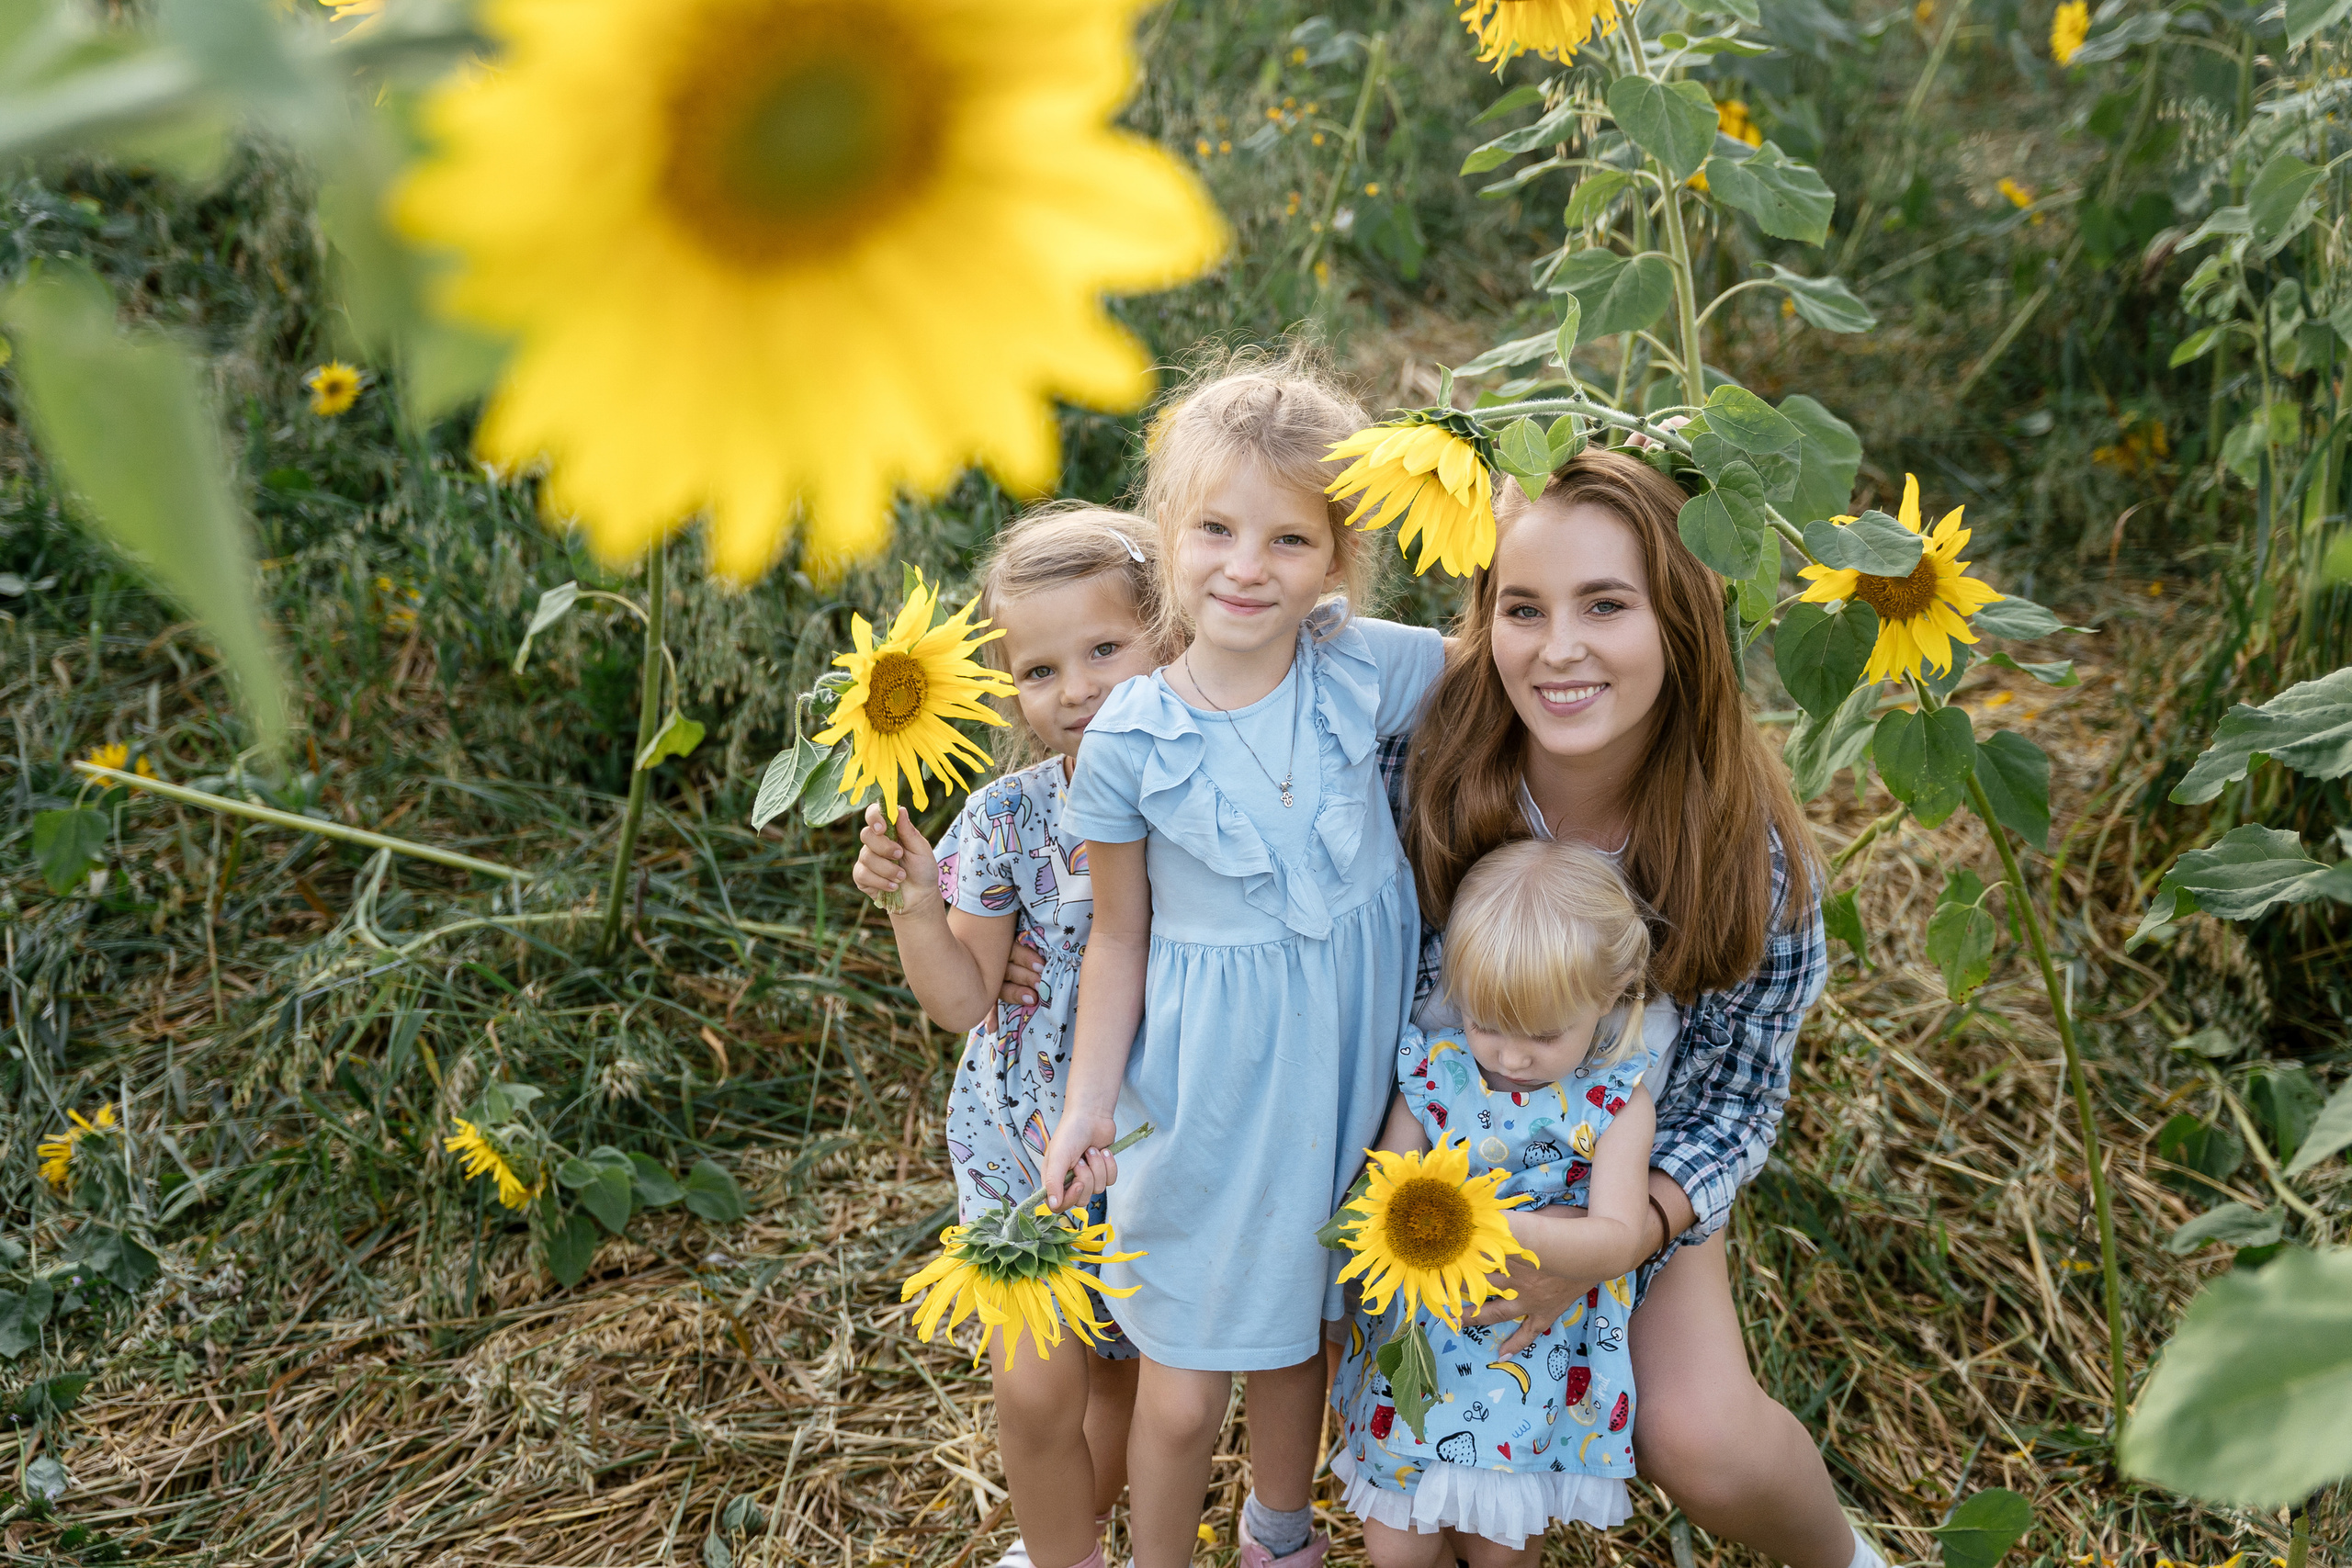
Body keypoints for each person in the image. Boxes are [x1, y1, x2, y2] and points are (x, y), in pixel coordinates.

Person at [1381, 446, 1873, 1568]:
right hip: (1424, 1169)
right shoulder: (1424, 769)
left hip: (1621, 1167)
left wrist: (1617, 1239)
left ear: (1683, 623)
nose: (1558, 649)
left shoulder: (1747, 857)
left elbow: (1736, 1103)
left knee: (1703, 1442)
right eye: (1522, 607)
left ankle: (1849, 1560)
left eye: (1606, 605)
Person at [1035, 348, 1447, 1568]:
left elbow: (1511, 644)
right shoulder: (1131, 739)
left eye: (1290, 540)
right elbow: (1119, 936)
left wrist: (1497, 496)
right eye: (1216, 528)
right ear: (1167, 536)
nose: (1248, 567)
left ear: (1338, 558)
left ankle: (1280, 1532)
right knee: (1178, 1378)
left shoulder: (1360, 666)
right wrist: (1088, 1104)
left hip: (1347, 1061)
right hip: (1211, 1076)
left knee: (1302, 1323)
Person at [853, 504, 1170, 1568]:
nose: (1074, 689)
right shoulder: (1005, 821)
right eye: (1038, 671)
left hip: (1160, 1153)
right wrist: (911, 905)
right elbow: (959, 997)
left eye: (1103, 650)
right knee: (1035, 1387)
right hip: (1025, 1144)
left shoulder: (1210, 802)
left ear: (1167, 634)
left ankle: (1073, 1539)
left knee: (1124, 1377)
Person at [1332, 838, 1659, 1568]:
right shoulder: (1437, 1074)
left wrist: (1488, 1225)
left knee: (1504, 1543)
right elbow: (1381, 1185)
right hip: (1424, 1341)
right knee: (1396, 1543)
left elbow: (1615, 1237)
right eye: (1486, 1024)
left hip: (1530, 1351)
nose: (1509, 1057)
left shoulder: (1614, 1105)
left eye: (1543, 1035)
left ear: (1608, 996)